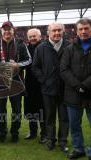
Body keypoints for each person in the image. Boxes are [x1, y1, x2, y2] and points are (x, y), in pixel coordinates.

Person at [32, 22, 69, 152]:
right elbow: (35, 67)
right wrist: (44, 80)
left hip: (66, 89)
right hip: (48, 89)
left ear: (63, 31)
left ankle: (63, 141)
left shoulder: (69, 46)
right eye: (54, 31)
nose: (57, 33)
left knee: (64, 117)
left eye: (59, 30)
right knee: (49, 117)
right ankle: (51, 140)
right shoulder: (41, 48)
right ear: (49, 32)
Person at [0, 21, 31, 143]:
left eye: (9, 29)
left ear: (13, 30)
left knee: (16, 109)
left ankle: (15, 132)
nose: (6, 31)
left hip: (16, 82)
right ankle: (2, 131)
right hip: (0, 83)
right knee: (0, 109)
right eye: (4, 29)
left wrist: (17, 65)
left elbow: (29, 60)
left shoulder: (20, 44)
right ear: (1, 31)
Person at [60, 18, 91, 160]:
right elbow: (64, 69)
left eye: (86, 28)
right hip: (73, 93)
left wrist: (85, 85)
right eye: (81, 29)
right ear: (76, 31)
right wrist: (77, 86)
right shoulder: (69, 48)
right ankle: (79, 148)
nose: (84, 31)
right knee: (74, 125)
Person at [24, 28, 46, 143]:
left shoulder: (45, 47)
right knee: (31, 109)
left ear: (40, 36)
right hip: (29, 83)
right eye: (30, 36)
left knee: (42, 109)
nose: (32, 38)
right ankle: (32, 132)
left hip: (42, 83)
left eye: (34, 36)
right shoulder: (26, 49)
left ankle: (44, 134)